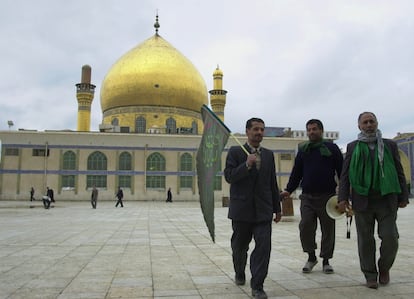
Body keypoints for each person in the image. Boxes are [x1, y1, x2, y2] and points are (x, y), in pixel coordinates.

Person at [337, 112, 409, 289]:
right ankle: (370, 274)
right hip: (362, 200)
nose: (369, 125)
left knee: (390, 237)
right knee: (366, 240)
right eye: (365, 122)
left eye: (372, 121)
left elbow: (399, 171)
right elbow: (345, 175)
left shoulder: (389, 145)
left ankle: (384, 268)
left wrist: (403, 196)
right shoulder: (353, 147)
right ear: (359, 126)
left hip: (386, 199)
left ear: (377, 123)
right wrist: (342, 198)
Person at [224, 117, 282, 299]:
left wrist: (277, 208)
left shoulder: (268, 155)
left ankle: (257, 285)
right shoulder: (235, 151)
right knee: (240, 247)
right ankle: (239, 271)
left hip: (263, 211)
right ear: (247, 131)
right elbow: (229, 176)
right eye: (256, 129)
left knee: (263, 248)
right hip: (242, 211)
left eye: (262, 129)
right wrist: (247, 165)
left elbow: (272, 183)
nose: (259, 132)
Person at [280, 119, 343, 274]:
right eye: (309, 130)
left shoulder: (332, 148)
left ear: (321, 130)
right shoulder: (304, 150)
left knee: (328, 229)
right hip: (307, 197)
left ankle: (326, 260)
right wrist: (289, 190)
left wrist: (345, 194)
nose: (311, 132)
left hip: (328, 197)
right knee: (306, 226)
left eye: (314, 129)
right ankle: (311, 256)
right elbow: (297, 173)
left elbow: (342, 172)